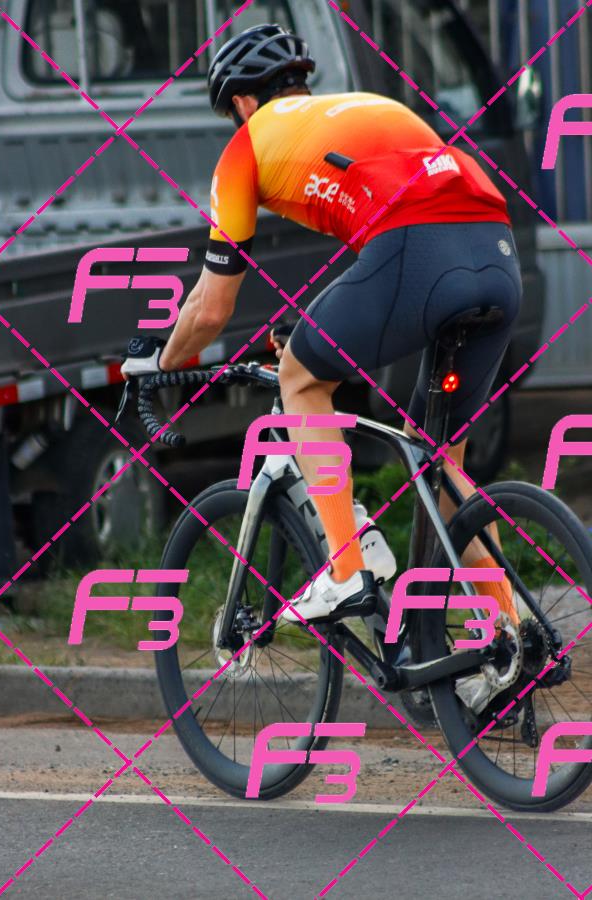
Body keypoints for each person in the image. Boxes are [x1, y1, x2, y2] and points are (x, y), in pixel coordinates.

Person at [122, 23, 522, 626]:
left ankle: (346, 569)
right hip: (496, 249)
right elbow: (378, 242)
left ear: (241, 103)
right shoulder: (365, 106)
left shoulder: (246, 147)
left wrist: (163, 361)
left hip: (415, 249)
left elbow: (211, 307)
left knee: (301, 379)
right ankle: (516, 640)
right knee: (442, 470)